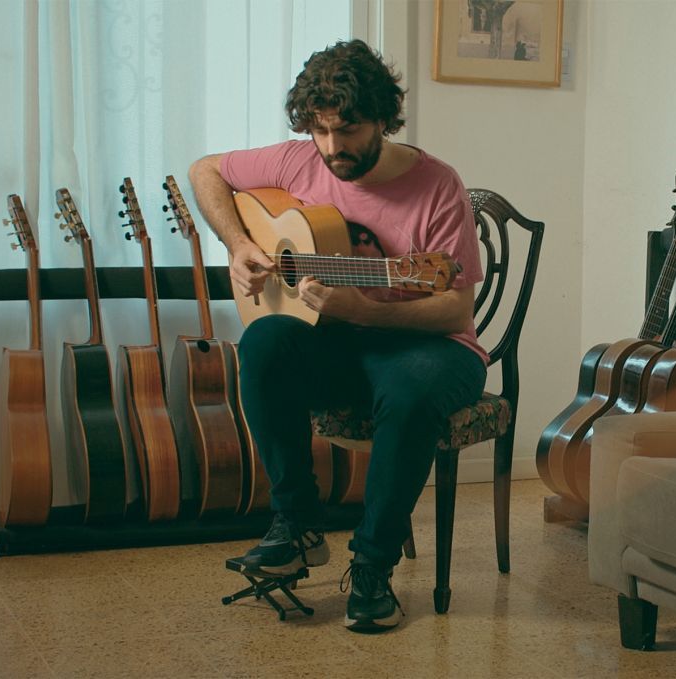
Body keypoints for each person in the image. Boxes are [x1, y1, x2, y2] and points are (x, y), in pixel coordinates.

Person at [188, 39, 487, 633]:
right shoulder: (298, 161)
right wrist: (240, 245)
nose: (331, 148)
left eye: (347, 131)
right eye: (320, 131)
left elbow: (455, 308)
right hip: (339, 340)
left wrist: (366, 309)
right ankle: (295, 527)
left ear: (383, 117)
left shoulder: (436, 186)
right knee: (265, 342)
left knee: (408, 393)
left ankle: (373, 567)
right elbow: (206, 170)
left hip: (431, 346)